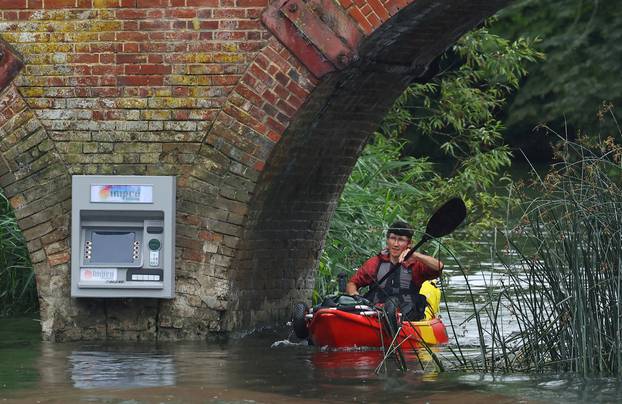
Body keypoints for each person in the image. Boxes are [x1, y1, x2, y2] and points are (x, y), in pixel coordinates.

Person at [345, 221, 443, 321]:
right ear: (387, 240)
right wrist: (355, 297)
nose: (396, 244)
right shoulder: (375, 262)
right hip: (376, 313)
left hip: (407, 315)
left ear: (409, 243)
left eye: (401, 240)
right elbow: (352, 283)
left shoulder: (416, 264)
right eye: (393, 238)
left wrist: (415, 255)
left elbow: (438, 266)